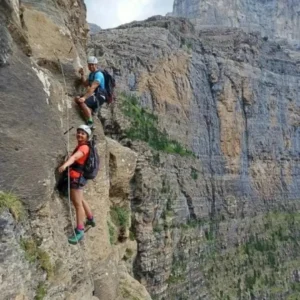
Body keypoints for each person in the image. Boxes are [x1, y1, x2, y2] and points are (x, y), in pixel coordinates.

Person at [58, 125, 96, 244]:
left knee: (77, 204)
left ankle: (80, 231)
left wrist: (65, 165)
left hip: (76, 179)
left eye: (83, 133)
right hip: (80, 178)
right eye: (79, 132)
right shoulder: (84, 146)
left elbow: (75, 157)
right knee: (81, 199)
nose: (79, 134)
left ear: (87, 136)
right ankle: (90, 218)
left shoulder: (84, 147)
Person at [74, 56, 106, 128]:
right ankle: (91, 110)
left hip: (99, 95)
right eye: (89, 64)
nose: (91, 66)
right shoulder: (92, 74)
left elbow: (92, 88)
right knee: (77, 98)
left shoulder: (99, 75)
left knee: (82, 102)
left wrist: (84, 98)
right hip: (94, 95)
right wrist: (82, 75)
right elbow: (85, 84)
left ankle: (90, 122)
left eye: (92, 64)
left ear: (96, 65)